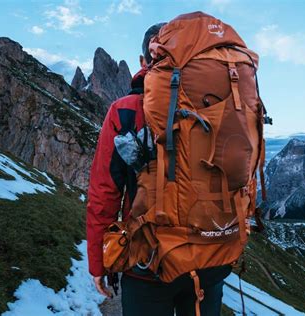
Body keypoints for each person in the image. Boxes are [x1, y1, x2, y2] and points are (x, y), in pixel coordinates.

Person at [86, 23, 231, 316]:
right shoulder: (219, 105)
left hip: (146, 261)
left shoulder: (125, 110)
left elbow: (104, 193)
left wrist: (99, 263)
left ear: (144, 62)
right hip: (209, 258)